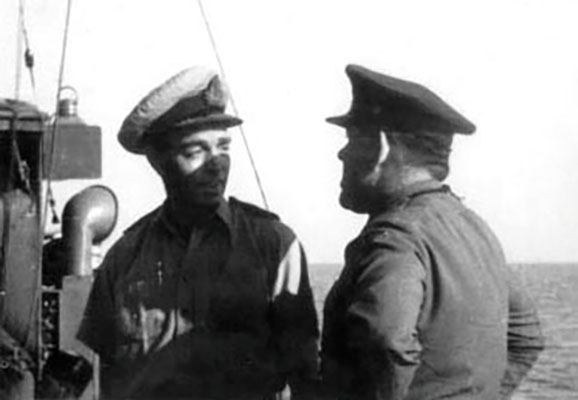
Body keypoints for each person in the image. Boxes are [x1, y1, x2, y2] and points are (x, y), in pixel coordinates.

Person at [77, 66, 319, 399]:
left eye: (223, 147)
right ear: (158, 162)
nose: (216, 163)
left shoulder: (273, 245)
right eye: (195, 151)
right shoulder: (125, 256)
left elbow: (305, 373)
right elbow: (104, 370)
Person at [320, 64, 545, 400]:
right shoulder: (476, 228)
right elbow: (526, 336)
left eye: (352, 139)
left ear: (381, 147)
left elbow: (386, 339)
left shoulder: (394, 235)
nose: (342, 153)